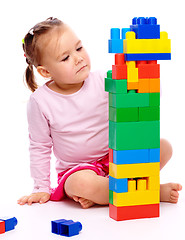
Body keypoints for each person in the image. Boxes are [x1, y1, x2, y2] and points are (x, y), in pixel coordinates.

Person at [18, 17, 182, 209]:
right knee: (82, 184)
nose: (78, 58)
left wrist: (145, 76)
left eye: (78, 48)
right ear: (45, 72)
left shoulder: (104, 80)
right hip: (78, 170)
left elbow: (144, 97)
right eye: (65, 58)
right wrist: (41, 187)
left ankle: (106, 192)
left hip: (116, 157)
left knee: (163, 147)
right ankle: (148, 191)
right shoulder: (40, 101)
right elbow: (40, 146)